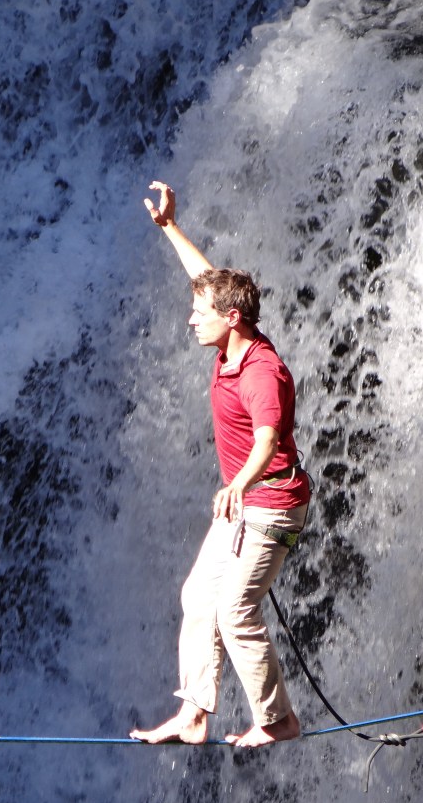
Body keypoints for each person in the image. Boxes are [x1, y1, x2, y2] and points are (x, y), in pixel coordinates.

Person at [130, 181, 311, 748]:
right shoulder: (229, 335)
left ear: (231, 318)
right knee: (196, 597)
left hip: (272, 506)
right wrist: (169, 229)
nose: (190, 319)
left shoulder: (260, 371)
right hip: (244, 500)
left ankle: (279, 720)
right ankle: (195, 714)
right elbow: (206, 281)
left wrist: (237, 482)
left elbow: (267, 439)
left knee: (234, 609)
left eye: (199, 313)